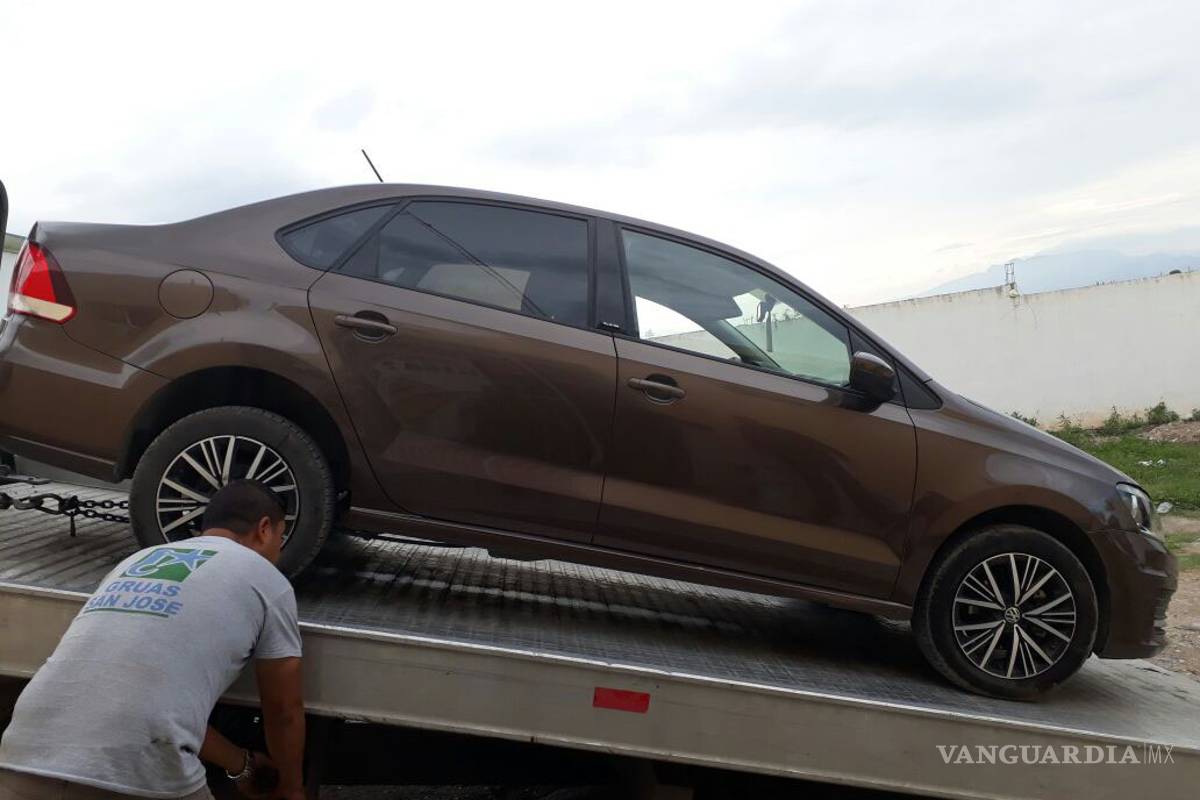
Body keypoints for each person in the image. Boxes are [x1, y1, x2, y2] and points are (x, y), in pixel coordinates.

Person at [0, 480, 307, 799]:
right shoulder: (266, 578)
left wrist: (241, 765)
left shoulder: (137, 562)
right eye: (281, 537)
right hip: (139, 774)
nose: (279, 551)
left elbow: (153, 707)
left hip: (24, 751)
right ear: (264, 529)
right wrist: (291, 789)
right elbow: (283, 710)